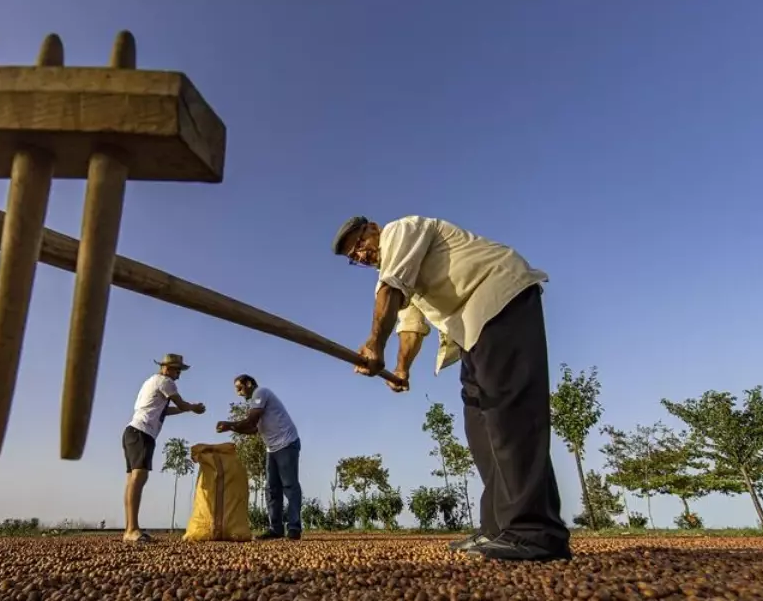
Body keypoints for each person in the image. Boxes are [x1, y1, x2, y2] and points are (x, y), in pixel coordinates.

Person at [331, 214, 572, 563]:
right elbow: (410, 326)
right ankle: (499, 527)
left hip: (499, 297)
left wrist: (373, 344)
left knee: (509, 414)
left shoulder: (400, 232)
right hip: (471, 329)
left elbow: (391, 292)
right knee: (481, 427)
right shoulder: (398, 271)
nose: (360, 255)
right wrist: (400, 369)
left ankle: (535, 531)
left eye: (359, 244)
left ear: (373, 229)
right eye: (353, 256)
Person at [121, 353, 205, 543]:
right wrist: (193, 408)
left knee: (133, 479)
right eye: (177, 370)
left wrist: (187, 409)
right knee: (138, 477)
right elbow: (181, 404)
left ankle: (130, 528)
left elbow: (165, 410)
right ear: (167, 368)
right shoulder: (166, 382)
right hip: (142, 432)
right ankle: (132, 529)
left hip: (132, 432)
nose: (179, 375)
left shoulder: (152, 382)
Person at [216, 374, 303, 541]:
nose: (238, 392)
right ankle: (276, 529)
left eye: (239, 388)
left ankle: (294, 528)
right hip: (272, 448)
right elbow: (253, 429)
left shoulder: (260, 392)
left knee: (290, 486)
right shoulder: (254, 402)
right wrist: (232, 428)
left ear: (249, 383)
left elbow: (250, 421)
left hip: (286, 443)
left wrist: (229, 424)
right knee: (271, 489)